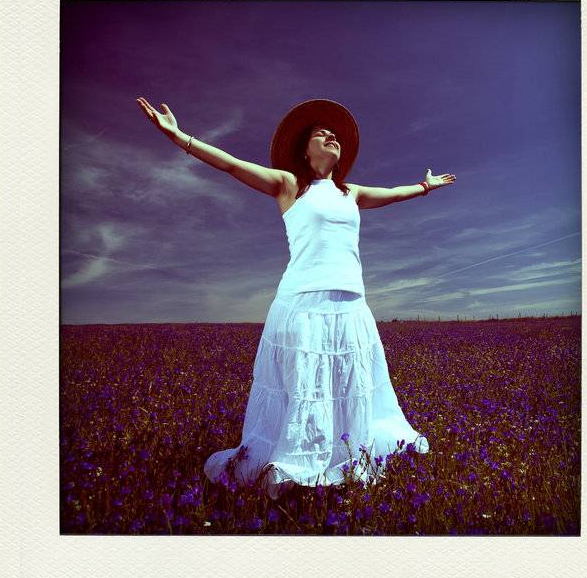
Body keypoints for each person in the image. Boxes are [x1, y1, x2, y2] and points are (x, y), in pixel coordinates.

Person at [135, 95, 456, 495]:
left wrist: (426, 186)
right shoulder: (290, 185)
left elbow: (391, 194)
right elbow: (231, 164)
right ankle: (293, 464)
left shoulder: (351, 193)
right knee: (307, 384)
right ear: (305, 150)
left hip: (351, 304)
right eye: (322, 134)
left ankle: (340, 454)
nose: (331, 137)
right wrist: (179, 136)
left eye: (335, 136)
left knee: (347, 383)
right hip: (302, 302)